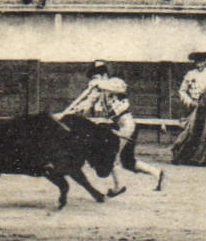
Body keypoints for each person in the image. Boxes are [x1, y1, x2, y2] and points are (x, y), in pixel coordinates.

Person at [61, 60, 163, 195]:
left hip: (126, 124)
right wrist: (74, 111)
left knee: (111, 154)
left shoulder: (114, 82)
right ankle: (157, 173)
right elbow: (86, 104)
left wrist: (99, 84)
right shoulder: (98, 91)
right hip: (118, 126)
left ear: (104, 75)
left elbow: (120, 88)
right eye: (92, 78)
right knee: (128, 161)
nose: (93, 80)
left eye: (95, 77)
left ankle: (119, 186)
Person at [170, 50, 206, 166]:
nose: (199, 65)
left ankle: (201, 159)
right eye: (197, 62)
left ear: (205, 62)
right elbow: (182, 91)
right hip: (194, 106)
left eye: (201, 62)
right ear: (194, 63)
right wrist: (190, 102)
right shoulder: (190, 75)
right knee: (189, 132)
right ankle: (180, 156)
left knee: (205, 132)